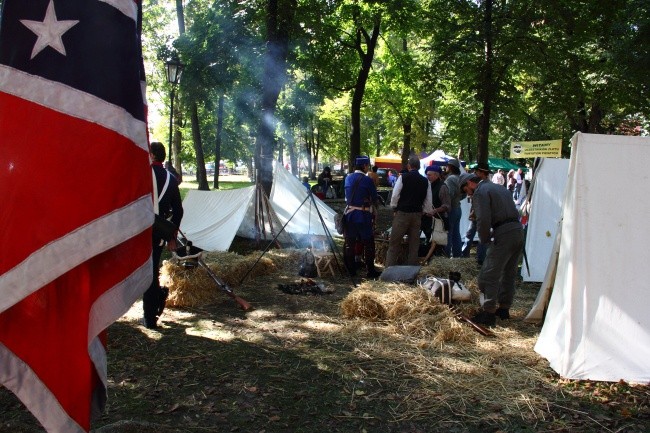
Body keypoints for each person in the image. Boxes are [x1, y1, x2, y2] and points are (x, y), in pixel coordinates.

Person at [459, 172, 524, 327]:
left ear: (470, 183)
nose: (467, 194)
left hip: (503, 233)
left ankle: (488, 313)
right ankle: (504, 309)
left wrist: (485, 240)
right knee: (508, 273)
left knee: (488, 275)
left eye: (465, 190)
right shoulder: (499, 188)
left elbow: (483, 219)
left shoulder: (480, 192)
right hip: (517, 231)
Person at [145, 142, 184, 329]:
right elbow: (178, 211)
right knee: (150, 272)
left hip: (142, 232)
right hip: (160, 233)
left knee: (149, 274)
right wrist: (171, 236)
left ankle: (149, 317)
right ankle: (152, 310)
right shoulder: (171, 178)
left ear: (151, 155)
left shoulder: (142, 174)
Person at [386, 155, 433, 266]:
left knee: (394, 243)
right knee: (414, 245)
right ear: (418, 166)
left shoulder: (403, 178)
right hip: (417, 215)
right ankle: (411, 271)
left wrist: (394, 207)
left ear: (409, 166)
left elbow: (395, 195)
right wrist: (425, 211)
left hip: (402, 213)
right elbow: (428, 201)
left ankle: (388, 270)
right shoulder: (426, 181)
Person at [343, 156, 381, 279]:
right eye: (367, 166)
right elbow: (374, 197)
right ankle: (370, 271)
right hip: (363, 215)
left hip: (350, 215)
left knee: (350, 243)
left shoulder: (348, 178)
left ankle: (351, 270)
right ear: (364, 166)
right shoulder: (367, 180)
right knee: (369, 244)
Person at [462, 162, 491, 265]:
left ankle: (480, 259)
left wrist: (474, 212)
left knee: (481, 237)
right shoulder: (482, 184)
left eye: (477, 171)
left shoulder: (484, 185)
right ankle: (465, 255)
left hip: (480, 216)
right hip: (477, 215)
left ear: (482, 173)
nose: (475, 173)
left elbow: (482, 202)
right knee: (470, 235)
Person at [420, 165, 451, 262]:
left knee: (436, 243)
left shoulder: (442, 187)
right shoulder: (427, 185)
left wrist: (434, 211)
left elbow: (447, 206)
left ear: (436, 175)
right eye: (426, 175)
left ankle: (435, 262)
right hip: (426, 220)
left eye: (429, 175)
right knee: (428, 241)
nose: (427, 177)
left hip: (437, 220)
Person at [444, 158, 463, 258]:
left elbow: (448, 195)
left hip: (451, 209)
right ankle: (457, 256)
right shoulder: (459, 178)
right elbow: (464, 194)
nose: (445, 167)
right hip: (458, 208)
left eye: (447, 165)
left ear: (450, 167)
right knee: (456, 234)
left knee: (448, 234)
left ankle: (446, 256)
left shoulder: (451, 179)